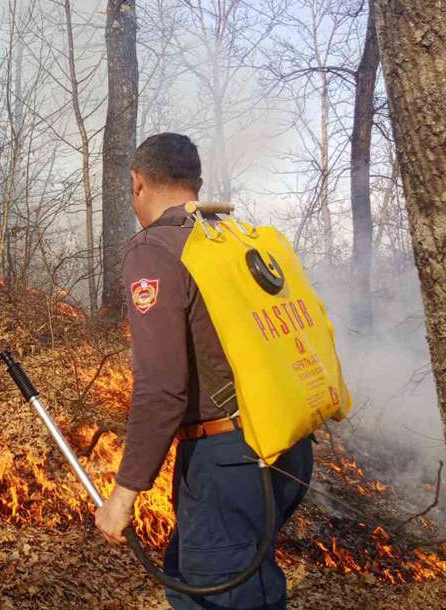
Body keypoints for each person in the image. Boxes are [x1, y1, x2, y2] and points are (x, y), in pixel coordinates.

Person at [94, 133, 314, 610]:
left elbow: (160, 389)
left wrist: (125, 494)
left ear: (137, 183)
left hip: (229, 458)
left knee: (222, 596)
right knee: (210, 578)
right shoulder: (231, 238)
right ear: (196, 182)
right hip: (287, 444)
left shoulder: (155, 250)